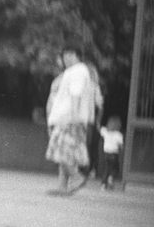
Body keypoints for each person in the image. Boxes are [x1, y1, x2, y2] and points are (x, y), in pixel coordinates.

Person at [45, 45, 95, 195]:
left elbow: (75, 94)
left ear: (78, 55)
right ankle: (63, 187)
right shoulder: (73, 71)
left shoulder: (78, 71)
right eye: (65, 54)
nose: (66, 57)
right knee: (66, 153)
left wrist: (73, 117)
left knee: (60, 149)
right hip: (67, 117)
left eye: (70, 54)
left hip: (70, 118)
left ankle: (76, 176)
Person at [99, 115, 124, 190]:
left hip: (106, 154)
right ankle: (111, 177)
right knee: (115, 168)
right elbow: (121, 145)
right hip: (114, 154)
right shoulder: (118, 135)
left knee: (106, 169)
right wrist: (121, 150)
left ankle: (103, 185)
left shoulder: (105, 131)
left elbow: (99, 129)